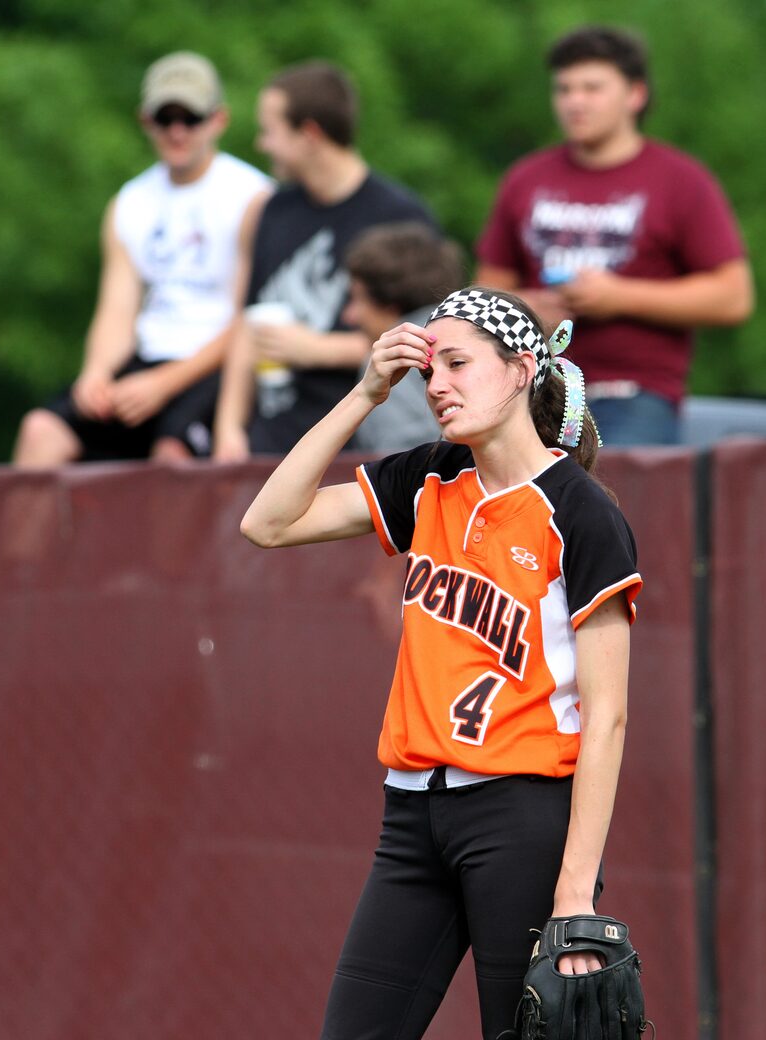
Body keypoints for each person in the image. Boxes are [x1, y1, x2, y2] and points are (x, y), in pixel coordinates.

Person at [240, 285, 642, 1040]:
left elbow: (608, 715)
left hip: (521, 817)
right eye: (428, 372)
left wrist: (575, 893)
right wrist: (364, 392)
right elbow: (268, 522)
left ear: (522, 369)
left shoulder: (580, 511)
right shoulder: (430, 478)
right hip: (412, 816)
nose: (437, 387)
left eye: (457, 364)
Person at [476, 25, 754, 445]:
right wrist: (530, 310)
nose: (574, 102)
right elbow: (487, 289)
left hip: (633, 394)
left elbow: (733, 296)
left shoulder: (681, 180)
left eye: (592, 88)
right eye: (564, 89)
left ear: (635, 94)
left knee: (609, 504)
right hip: (527, 386)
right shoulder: (524, 179)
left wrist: (617, 297)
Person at [12, 52, 272, 466]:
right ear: (145, 121)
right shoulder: (129, 202)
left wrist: (164, 383)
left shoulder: (252, 196)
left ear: (218, 120)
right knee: (41, 430)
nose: (177, 132)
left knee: (170, 455)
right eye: (164, 118)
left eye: (190, 118)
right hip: (147, 358)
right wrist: (95, 371)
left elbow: (248, 319)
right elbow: (117, 309)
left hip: (216, 365)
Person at [212, 61, 435, 460]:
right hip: (267, 437)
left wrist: (314, 349)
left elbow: (426, 343)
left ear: (309, 134)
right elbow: (248, 323)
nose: (262, 144)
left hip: (355, 438)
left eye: (270, 131)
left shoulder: (400, 216)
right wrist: (229, 430)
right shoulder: (272, 210)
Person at [343, 221, 465, 453]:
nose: (349, 316)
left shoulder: (393, 358)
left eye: (356, 299)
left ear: (389, 303)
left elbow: (399, 458)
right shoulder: (479, 335)